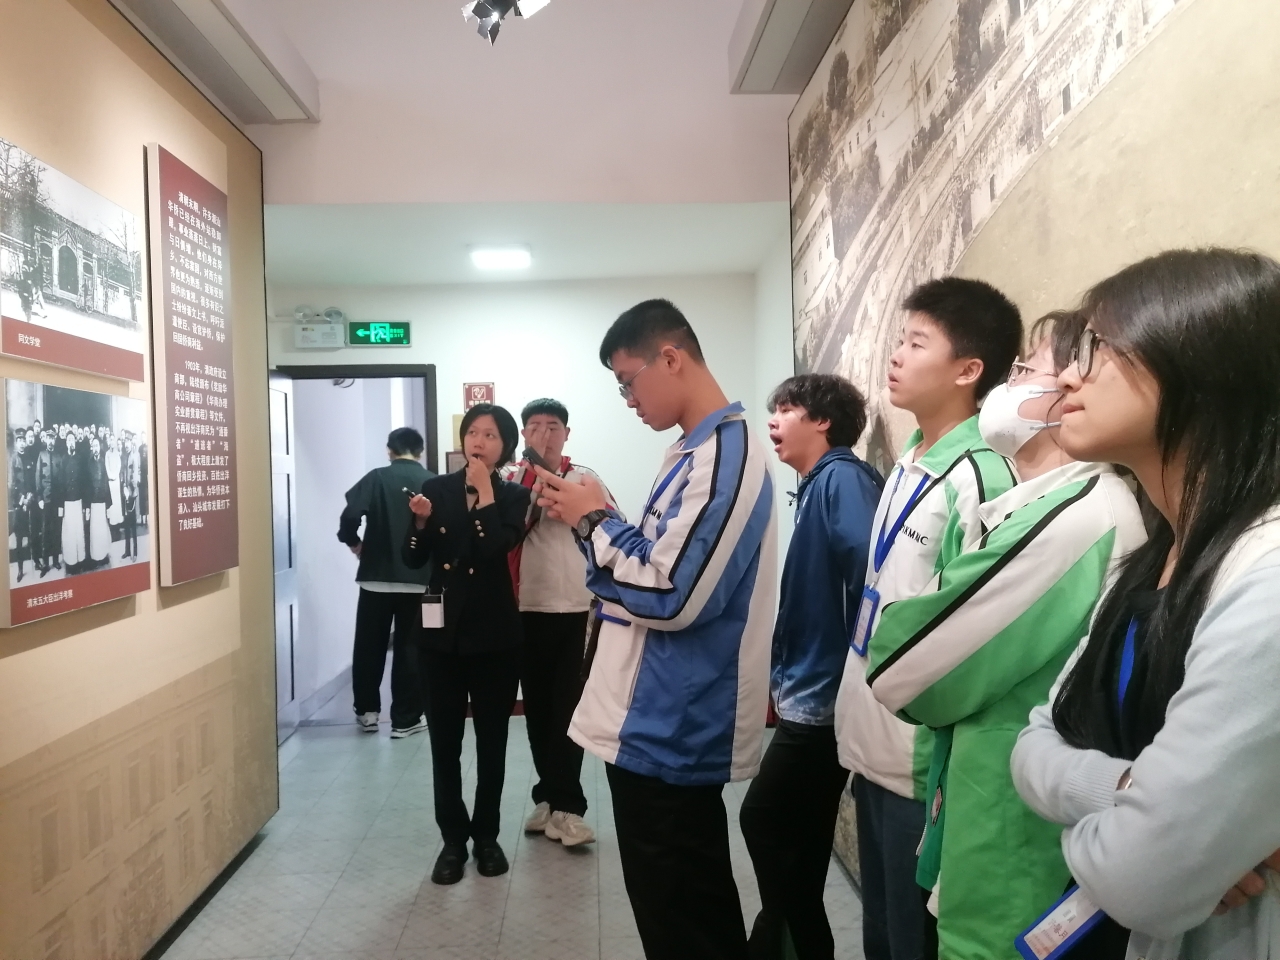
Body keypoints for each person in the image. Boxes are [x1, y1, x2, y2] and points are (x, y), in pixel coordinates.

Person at [1011, 248, 1280, 960]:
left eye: (1096, 347)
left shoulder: (1267, 582)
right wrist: (1128, 790)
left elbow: (1142, 879)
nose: (1068, 376)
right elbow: (1031, 747)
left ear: (1202, 361)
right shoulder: (1147, 560)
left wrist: (1136, 833)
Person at [863, 311, 1146, 960]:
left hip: (1016, 853)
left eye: (1026, 369)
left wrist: (912, 624)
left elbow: (901, 665)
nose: (1007, 386)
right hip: (982, 817)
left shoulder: (1076, 516)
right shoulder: (1036, 504)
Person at [535, 299, 777, 960]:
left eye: (628, 382)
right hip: (651, 721)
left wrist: (594, 521)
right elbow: (646, 565)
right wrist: (596, 521)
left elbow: (670, 595)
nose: (628, 401)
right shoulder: (691, 452)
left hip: (674, 724)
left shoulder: (726, 456)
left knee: (687, 924)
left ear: (670, 358)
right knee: (674, 915)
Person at [833, 277, 1022, 960]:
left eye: (917, 343)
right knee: (882, 933)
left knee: (913, 940)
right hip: (870, 741)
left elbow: (970, 638)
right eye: (899, 340)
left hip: (918, 762)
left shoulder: (981, 475)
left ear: (968, 370)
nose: (896, 356)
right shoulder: (909, 459)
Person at [741, 373, 883, 960]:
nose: (773, 421)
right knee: (800, 837)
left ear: (822, 421)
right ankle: (788, 939)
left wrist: (851, 673)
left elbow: (870, 575)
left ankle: (783, 934)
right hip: (815, 691)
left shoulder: (841, 478)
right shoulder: (820, 483)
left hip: (823, 699)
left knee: (762, 818)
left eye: (786, 409)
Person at [403, 404, 530, 885]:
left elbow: (495, 547)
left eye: (491, 435)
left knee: (493, 743)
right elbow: (413, 559)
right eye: (473, 432)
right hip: (440, 638)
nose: (479, 441)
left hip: (495, 635)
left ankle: (488, 838)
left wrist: (484, 494)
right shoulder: (435, 488)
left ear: (506, 446)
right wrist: (418, 525)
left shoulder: (514, 495)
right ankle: (453, 841)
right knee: (445, 744)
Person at [503, 398, 618, 848]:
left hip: (578, 609)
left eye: (553, 427)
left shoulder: (585, 479)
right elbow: (502, 532)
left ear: (567, 434)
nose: (545, 435)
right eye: (535, 427)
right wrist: (530, 495)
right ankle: (549, 798)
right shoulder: (510, 479)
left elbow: (615, 526)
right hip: (525, 608)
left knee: (569, 709)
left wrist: (575, 511)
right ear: (523, 434)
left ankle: (568, 806)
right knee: (537, 709)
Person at [336, 426, 433, 738]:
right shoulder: (432, 481)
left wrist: (354, 543)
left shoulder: (376, 478)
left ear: (389, 450)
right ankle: (405, 719)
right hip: (419, 580)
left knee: (369, 646)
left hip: (375, 579)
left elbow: (350, 515)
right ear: (420, 452)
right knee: (410, 650)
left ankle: (367, 713)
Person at [57, 432, 86, 573]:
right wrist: (60, 506)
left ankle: (80, 561)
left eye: (72, 440)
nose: (71, 442)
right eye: (68, 440)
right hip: (67, 503)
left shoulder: (80, 459)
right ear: (66, 443)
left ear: (75, 442)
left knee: (79, 532)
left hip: (78, 501)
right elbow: (60, 484)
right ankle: (71, 563)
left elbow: (84, 483)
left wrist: (85, 506)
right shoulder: (63, 460)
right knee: (69, 533)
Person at [86, 436, 112, 566]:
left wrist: (108, 504)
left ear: (99, 447)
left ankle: (103, 555)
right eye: (93, 446)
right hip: (93, 501)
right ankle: (95, 557)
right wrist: (87, 506)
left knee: (102, 530)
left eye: (97, 445)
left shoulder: (103, 462)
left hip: (102, 501)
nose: (95, 448)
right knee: (94, 531)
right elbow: (86, 485)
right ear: (91, 448)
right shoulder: (88, 463)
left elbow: (106, 483)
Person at [9, 430, 30, 582]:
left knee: (32, 534)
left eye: (24, 440)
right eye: (20, 440)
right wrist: (21, 500)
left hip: (29, 501)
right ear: (16, 443)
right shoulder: (13, 459)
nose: (22, 443)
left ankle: (36, 562)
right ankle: (20, 569)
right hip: (19, 503)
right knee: (19, 538)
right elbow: (12, 484)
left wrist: (29, 497)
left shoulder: (28, 458)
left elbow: (31, 480)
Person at [35, 432, 56, 575]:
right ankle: (45, 564)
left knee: (55, 531)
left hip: (56, 500)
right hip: (45, 499)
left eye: (52, 438)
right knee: (45, 533)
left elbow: (60, 479)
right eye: (49, 438)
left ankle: (55, 561)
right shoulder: (41, 455)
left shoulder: (58, 456)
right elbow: (37, 478)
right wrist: (39, 498)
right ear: (46, 440)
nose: (51, 441)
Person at [120, 433, 139, 560]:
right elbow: (122, 473)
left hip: (132, 494)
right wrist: (123, 486)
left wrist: (131, 491)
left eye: (128, 442)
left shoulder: (134, 457)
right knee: (126, 524)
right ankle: (127, 551)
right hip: (125, 493)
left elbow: (135, 475)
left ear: (131, 444)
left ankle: (135, 552)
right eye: (125, 442)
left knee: (133, 526)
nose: (126, 445)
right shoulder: (123, 457)